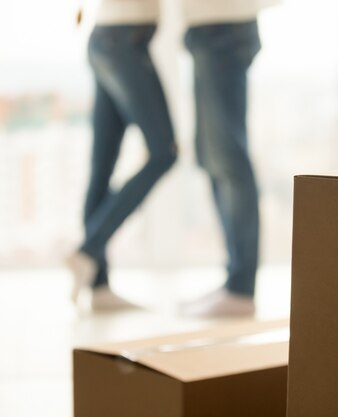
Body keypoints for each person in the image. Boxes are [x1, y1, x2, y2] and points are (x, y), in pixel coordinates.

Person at [66, 0, 177, 310]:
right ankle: (88, 251)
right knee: (164, 153)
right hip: (124, 39)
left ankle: (98, 286)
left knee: (102, 165)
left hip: (107, 37)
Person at [178, 0, 278, 317]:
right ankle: (234, 281)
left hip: (223, 24)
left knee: (229, 159)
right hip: (211, 24)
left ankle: (240, 288)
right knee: (213, 158)